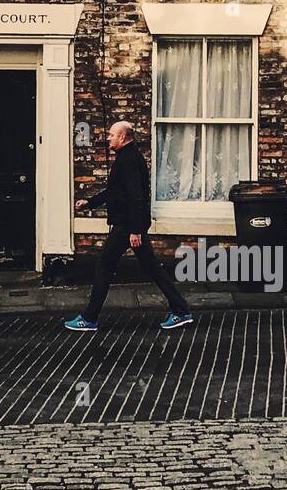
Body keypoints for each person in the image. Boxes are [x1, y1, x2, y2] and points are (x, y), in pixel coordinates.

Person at [63, 120, 195, 333]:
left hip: (126, 225)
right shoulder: (126, 158)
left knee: (104, 266)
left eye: (112, 135)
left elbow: (137, 197)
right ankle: (181, 311)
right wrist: (90, 203)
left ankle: (89, 318)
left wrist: (135, 230)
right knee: (151, 267)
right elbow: (114, 191)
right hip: (128, 224)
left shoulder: (129, 161)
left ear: (122, 137)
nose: (108, 138)